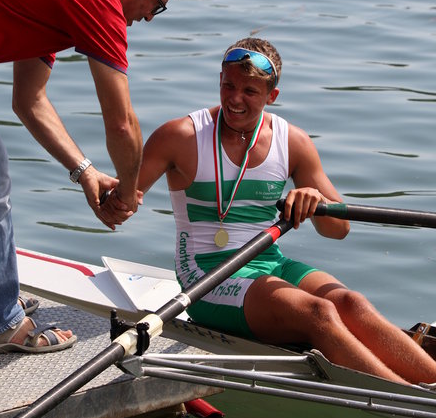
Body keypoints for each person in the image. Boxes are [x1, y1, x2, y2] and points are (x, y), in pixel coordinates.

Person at [106, 36, 436, 386]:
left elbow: (339, 230)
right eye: (229, 85)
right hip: (206, 276)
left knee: (351, 303)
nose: (235, 99)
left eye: (250, 91)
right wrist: (110, 197)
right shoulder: (180, 136)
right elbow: (120, 205)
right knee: (320, 312)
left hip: (269, 261)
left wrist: (315, 202)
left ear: (271, 96)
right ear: (219, 79)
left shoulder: (292, 141)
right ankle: (410, 402)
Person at [0, 0, 177, 354]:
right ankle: (0, 323)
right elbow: (122, 125)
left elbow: (29, 102)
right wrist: (128, 193)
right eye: (157, 6)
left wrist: (85, 172)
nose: (149, 18)